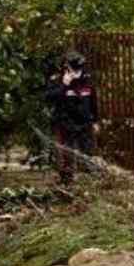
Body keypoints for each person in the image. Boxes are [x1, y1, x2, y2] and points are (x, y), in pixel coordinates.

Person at [45, 51, 100, 184]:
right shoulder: (57, 80)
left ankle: (89, 182)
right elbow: (49, 98)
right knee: (67, 155)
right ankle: (67, 183)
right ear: (66, 66)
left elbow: (93, 102)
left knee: (88, 154)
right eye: (73, 68)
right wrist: (64, 85)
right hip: (65, 124)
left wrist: (95, 121)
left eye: (79, 68)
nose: (77, 71)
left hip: (85, 123)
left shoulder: (87, 80)